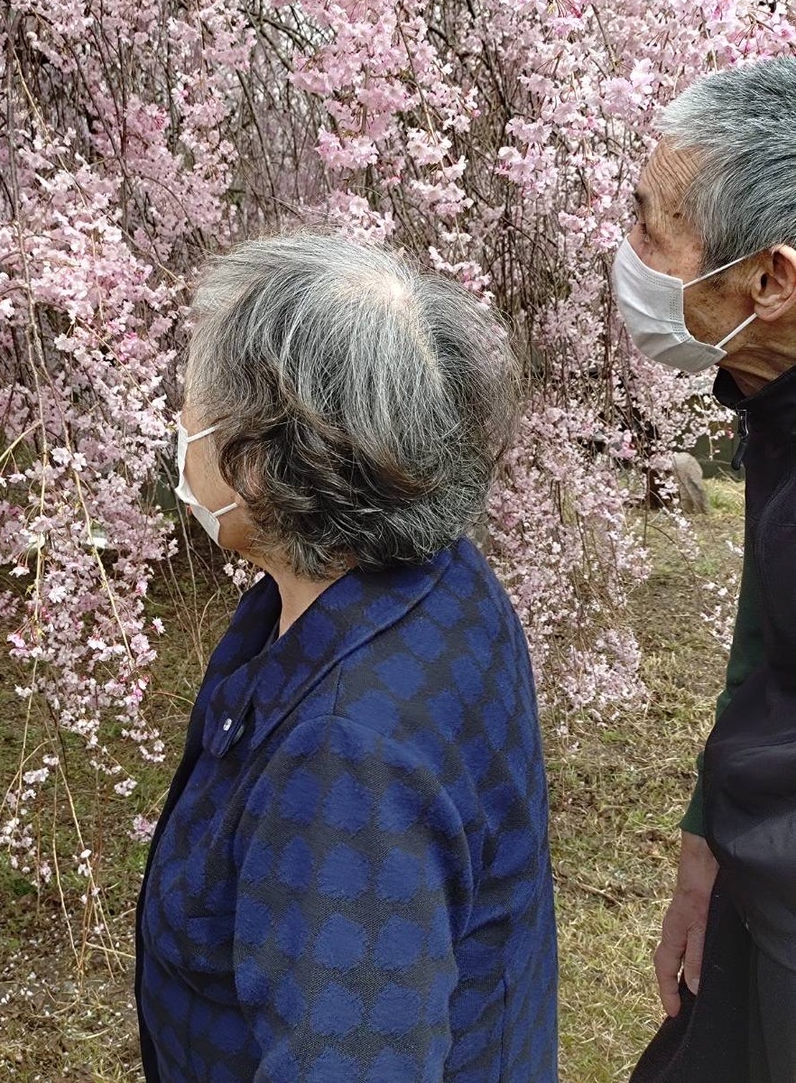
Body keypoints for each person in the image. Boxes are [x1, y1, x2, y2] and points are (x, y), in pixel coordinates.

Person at [133, 232, 558, 1081]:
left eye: (192, 398)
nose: (177, 421)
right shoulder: (433, 573)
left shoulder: (346, 761)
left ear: (263, 462)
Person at [613, 57, 796, 1082]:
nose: (627, 253)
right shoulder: (771, 402)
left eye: (651, 224)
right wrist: (704, 854)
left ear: (767, 281)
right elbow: (764, 643)